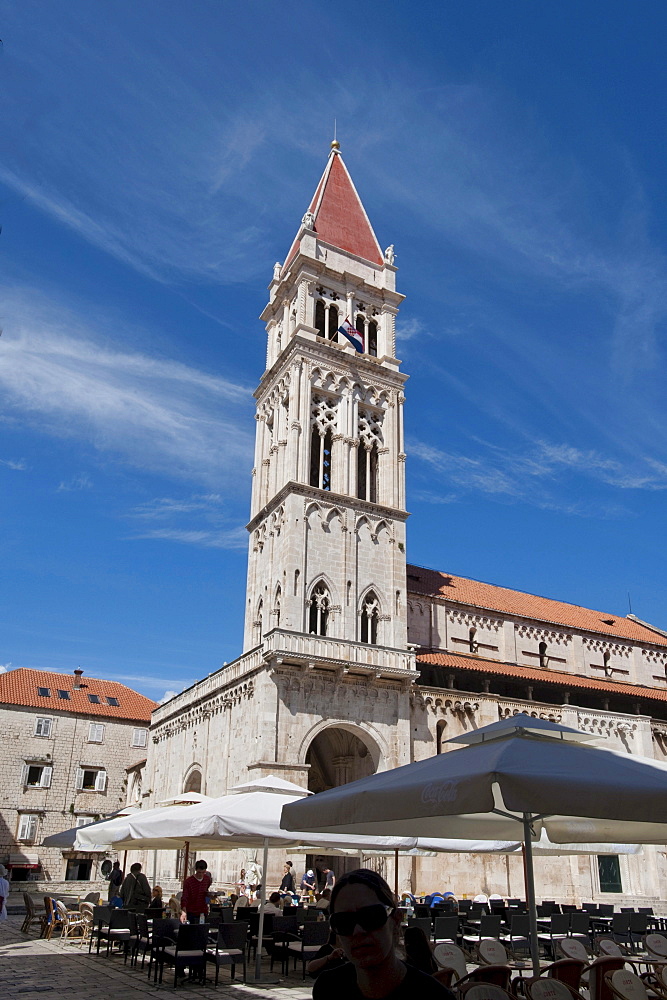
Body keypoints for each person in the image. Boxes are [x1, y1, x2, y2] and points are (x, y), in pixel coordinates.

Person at [312, 868, 454, 1000]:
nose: (358, 931)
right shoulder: (327, 988)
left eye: (371, 916)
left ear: (396, 919)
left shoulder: (435, 996)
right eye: (343, 922)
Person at [180, 859, 212, 924]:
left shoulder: (207, 879)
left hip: (203, 911)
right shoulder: (188, 882)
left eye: (203, 872)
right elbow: (184, 897)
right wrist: (184, 911)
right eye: (199, 872)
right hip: (191, 912)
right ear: (196, 870)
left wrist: (208, 900)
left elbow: (206, 892)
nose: (201, 874)